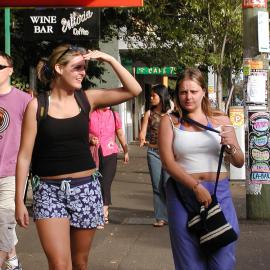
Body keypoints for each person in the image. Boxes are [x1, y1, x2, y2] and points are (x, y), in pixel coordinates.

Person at [15, 44, 141, 270]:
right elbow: (24, 156)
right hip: (48, 191)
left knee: (80, 263)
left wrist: (109, 59)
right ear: (59, 68)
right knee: (59, 265)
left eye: (84, 67)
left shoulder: (87, 99)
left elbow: (134, 90)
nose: (83, 72)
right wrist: (19, 201)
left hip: (85, 189)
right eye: (77, 67)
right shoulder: (37, 105)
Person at [158, 68, 244, 269]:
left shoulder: (221, 120)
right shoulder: (170, 121)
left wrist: (232, 146)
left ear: (204, 91)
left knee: (223, 258)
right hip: (183, 194)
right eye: (183, 92)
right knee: (189, 261)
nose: (188, 97)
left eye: (193, 91)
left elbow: (239, 161)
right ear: (177, 94)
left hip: (218, 193)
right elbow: (168, 163)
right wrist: (196, 187)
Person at [0, 51, 31, 270]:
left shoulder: (25, 101)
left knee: (4, 221)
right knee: (3, 225)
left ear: (10, 70)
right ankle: (12, 261)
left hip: (11, 173)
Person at [89, 107, 129, 228]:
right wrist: (90, 138)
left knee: (105, 183)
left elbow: (120, 132)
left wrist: (125, 150)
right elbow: (83, 131)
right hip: (93, 153)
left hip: (110, 152)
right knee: (94, 183)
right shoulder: (91, 114)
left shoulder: (114, 114)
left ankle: (103, 214)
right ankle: (98, 212)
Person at [139, 84, 171, 227]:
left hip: (169, 153)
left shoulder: (172, 114)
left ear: (162, 96)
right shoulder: (148, 113)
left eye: (154, 96)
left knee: (167, 184)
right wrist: (141, 137)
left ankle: (173, 214)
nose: (151, 98)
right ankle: (161, 217)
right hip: (153, 152)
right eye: (151, 96)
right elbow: (143, 129)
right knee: (157, 186)